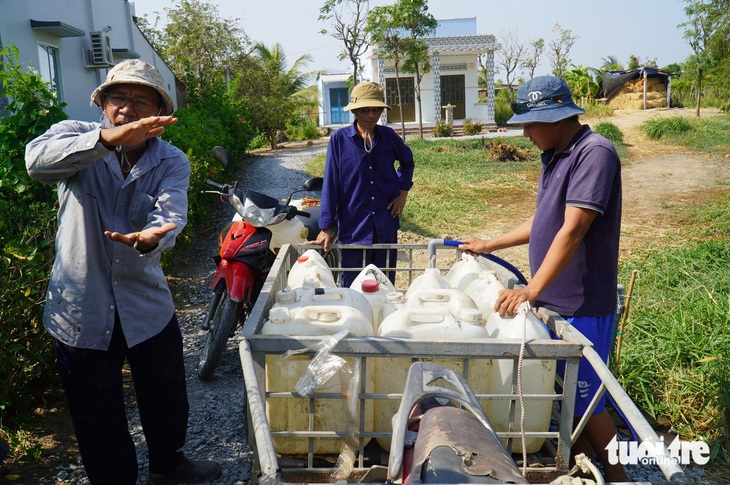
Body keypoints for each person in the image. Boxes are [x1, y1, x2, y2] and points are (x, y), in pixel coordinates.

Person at [25, 60, 221, 485]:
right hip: (82, 306)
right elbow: (36, 164)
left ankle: (168, 467)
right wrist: (106, 141)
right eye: (120, 98)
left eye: (141, 101)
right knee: (96, 410)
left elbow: (170, 213)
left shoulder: (172, 160)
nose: (128, 109)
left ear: (158, 115)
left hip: (144, 298)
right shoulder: (71, 136)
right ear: (103, 104)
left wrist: (153, 237)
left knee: (167, 394)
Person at [459, 76, 629, 482]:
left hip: (582, 302)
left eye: (530, 124)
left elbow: (572, 228)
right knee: (564, 397)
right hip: (555, 299)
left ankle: (622, 477)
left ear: (554, 119)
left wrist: (530, 289)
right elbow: (544, 221)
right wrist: (490, 243)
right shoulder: (555, 156)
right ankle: (585, 467)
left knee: (587, 400)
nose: (526, 133)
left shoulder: (594, 154)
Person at [310, 81, 414, 288]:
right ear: (355, 111)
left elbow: (407, 162)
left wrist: (402, 192)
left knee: (383, 284)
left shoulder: (389, 137)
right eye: (365, 110)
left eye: (375, 110)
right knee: (351, 285)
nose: (370, 115)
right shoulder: (339, 140)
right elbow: (331, 183)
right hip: (353, 225)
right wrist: (326, 226)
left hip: (385, 223)